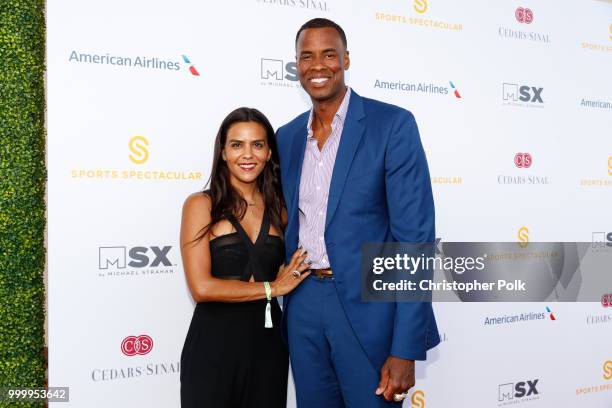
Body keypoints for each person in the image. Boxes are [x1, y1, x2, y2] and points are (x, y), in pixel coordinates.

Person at [275, 18, 440, 407]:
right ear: (297, 65)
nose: (318, 66)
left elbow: (414, 241)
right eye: (307, 56)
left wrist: (405, 347)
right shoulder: (286, 136)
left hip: (369, 312)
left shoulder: (392, 125)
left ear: (346, 59)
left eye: (329, 54)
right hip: (302, 307)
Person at [179, 107, 311, 408]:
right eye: (237, 144)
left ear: (268, 154)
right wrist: (272, 289)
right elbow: (202, 287)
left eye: (258, 144)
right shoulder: (201, 205)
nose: (247, 154)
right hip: (212, 346)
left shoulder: (281, 209)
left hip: (269, 347)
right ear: (223, 152)